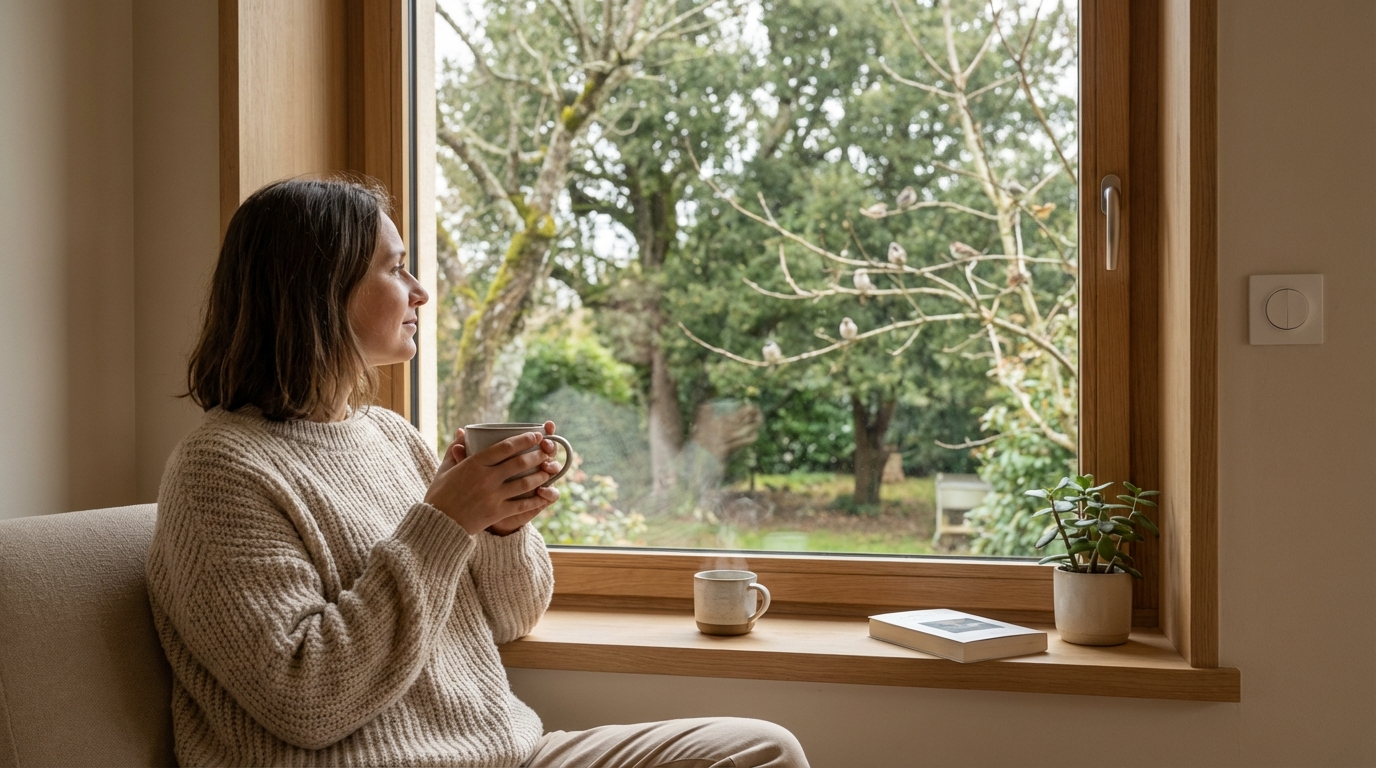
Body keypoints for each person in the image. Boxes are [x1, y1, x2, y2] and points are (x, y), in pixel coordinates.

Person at [146, 177, 810, 768]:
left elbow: (512, 618)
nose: (421, 292)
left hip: (509, 752)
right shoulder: (220, 472)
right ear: (320, 291)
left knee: (760, 750)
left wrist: (499, 531)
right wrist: (445, 520)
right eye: (397, 269)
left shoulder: (388, 438)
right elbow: (309, 700)